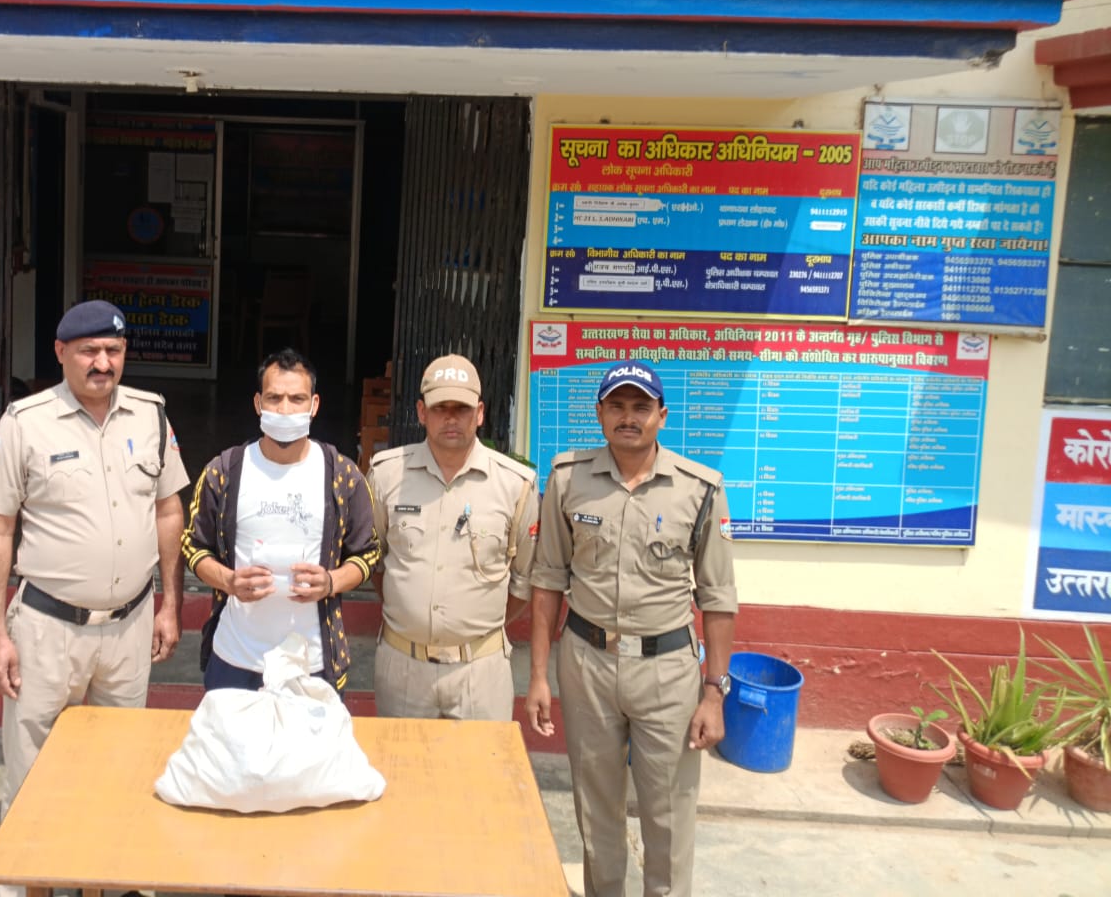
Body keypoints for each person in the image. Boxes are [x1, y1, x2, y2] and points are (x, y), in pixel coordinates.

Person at [0, 299, 190, 847]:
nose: (102, 363)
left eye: (113, 350)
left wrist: (169, 604)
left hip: (130, 626)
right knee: (32, 770)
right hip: (48, 630)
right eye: (89, 350)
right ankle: (29, 875)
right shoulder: (26, 422)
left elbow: (168, 510)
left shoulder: (151, 414)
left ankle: (107, 872)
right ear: (60, 352)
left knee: (122, 763)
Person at [525, 360, 738, 897]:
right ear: (599, 413)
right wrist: (538, 676)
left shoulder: (700, 488)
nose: (628, 417)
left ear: (661, 416)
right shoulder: (568, 479)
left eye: (641, 407)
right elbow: (547, 580)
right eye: (617, 406)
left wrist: (714, 694)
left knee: (668, 816)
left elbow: (717, 598)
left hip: (667, 673)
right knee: (595, 808)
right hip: (587, 664)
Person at [181, 348, 381, 692]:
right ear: (258, 403)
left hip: (312, 664)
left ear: (314, 405)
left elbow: (368, 553)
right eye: (274, 398)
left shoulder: (342, 476)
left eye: (297, 399)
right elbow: (193, 546)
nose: (285, 409)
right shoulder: (224, 471)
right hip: (235, 660)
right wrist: (228, 581)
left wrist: (330, 582)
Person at [366, 354, 537, 720]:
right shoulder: (386, 475)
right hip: (403, 667)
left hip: (481, 672)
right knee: (400, 759)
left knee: (482, 761)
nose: (451, 418)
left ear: (480, 413)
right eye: (440, 408)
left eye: (461, 409)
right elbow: (376, 564)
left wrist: (468, 630)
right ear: (421, 412)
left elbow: (523, 582)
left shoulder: (515, 485)